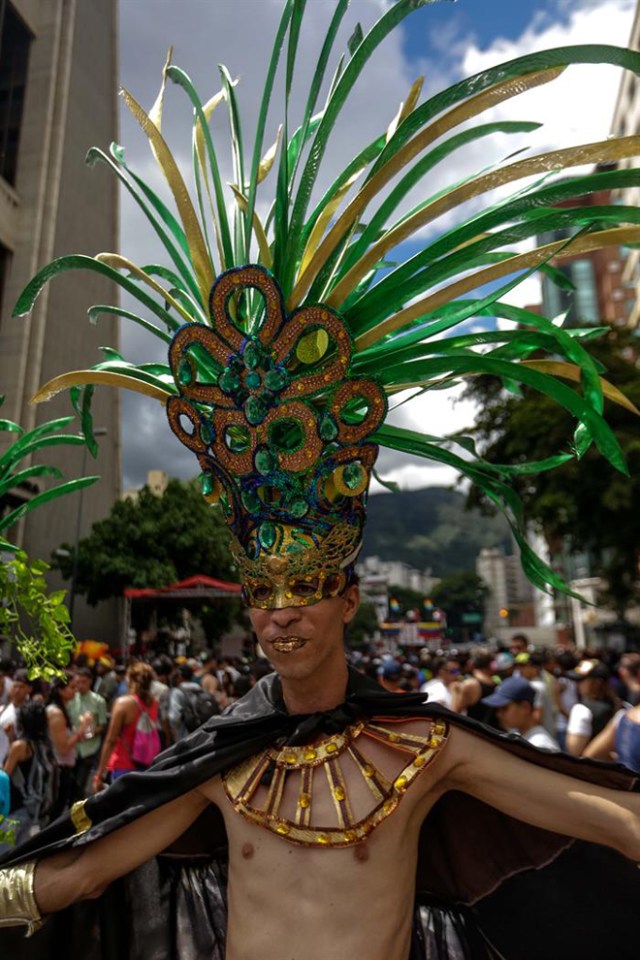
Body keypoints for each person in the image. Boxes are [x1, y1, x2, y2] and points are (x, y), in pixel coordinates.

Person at [3, 6, 640, 958]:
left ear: (349, 598)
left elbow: (612, 822)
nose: (278, 615)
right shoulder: (223, 755)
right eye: (261, 593)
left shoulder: (428, 750)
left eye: (303, 588)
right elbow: (82, 873)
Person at [92, 663, 160, 789]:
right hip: (146, 764)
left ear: (129, 679)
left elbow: (111, 740)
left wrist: (100, 774)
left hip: (123, 765)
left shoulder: (123, 703)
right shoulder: (154, 703)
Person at [0, 703, 56, 851]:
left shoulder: (19, 746)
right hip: (34, 810)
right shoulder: (44, 745)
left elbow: (4, 776)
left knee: (4, 856)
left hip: (15, 810)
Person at [44, 675, 89, 820]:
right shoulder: (56, 713)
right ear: (60, 690)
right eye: (72, 687)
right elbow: (63, 748)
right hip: (58, 769)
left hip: (63, 767)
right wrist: (82, 728)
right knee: (55, 810)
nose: (75, 691)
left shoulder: (60, 710)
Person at [481, 676, 560, 752]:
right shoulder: (517, 735)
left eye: (504, 708)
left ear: (525, 707)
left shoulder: (540, 745)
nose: (499, 714)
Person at [66, 668, 107, 798]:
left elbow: (102, 725)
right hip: (72, 747)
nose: (80, 685)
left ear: (90, 682)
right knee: (69, 782)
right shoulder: (71, 699)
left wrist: (90, 733)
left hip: (89, 747)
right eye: (77, 682)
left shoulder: (98, 701)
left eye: (83, 682)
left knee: (80, 783)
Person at [565, 660, 617, 757]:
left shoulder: (581, 711)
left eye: (582, 680)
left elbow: (574, 753)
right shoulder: (624, 708)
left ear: (597, 683)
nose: (577, 685)